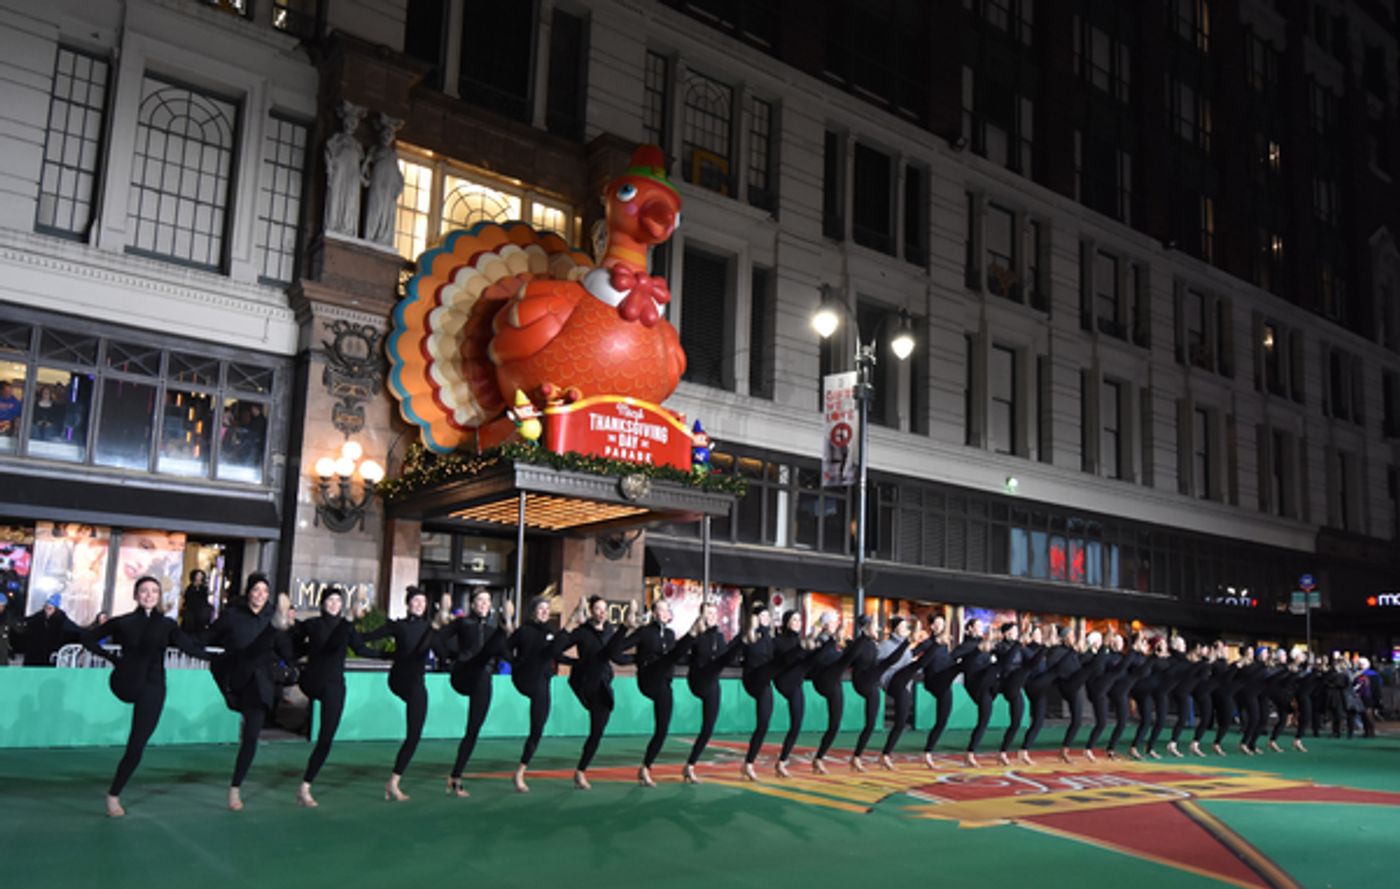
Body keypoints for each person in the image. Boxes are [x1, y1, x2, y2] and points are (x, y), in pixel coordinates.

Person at [81, 576, 211, 817]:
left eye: (154, 591)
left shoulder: (167, 625)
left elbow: (189, 648)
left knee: (136, 744)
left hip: (153, 687)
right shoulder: (123, 622)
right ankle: (115, 794)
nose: (149, 595)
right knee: (135, 743)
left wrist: (221, 657)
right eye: (144, 591)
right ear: (136, 595)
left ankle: (113, 795)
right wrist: (112, 659)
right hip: (128, 681)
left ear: (159, 596)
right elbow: (87, 638)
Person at [205, 573, 293, 811]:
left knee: (251, 736)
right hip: (236, 678)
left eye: (265, 592)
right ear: (249, 592)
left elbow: (288, 652)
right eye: (256, 590)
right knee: (250, 652)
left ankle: (235, 788)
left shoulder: (270, 617)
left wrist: (294, 669)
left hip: (259, 684)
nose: (260, 595)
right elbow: (207, 637)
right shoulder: (232, 616)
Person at [290, 586, 376, 807]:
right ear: (322, 604)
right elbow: (295, 641)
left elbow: (361, 649)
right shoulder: (314, 625)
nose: (334, 604)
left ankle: (305, 787)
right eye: (330, 600)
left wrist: (393, 654)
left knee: (326, 738)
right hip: (313, 680)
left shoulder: (346, 628)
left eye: (338, 601)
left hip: (334, 685)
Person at [359, 586, 442, 801]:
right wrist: (386, 655)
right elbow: (366, 637)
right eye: (415, 601)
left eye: (423, 602)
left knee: (414, 735)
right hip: (399, 679)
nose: (419, 605)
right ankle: (393, 784)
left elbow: (445, 650)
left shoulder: (431, 629)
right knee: (413, 669)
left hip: (416, 681)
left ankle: (393, 782)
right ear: (408, 604)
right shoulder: (399, 626)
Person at [441, 590, 513, 797]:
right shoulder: (463, 623)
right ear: (472, 604)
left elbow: (506, 654)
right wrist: (450, 657)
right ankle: (504, 627)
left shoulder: (491, 628)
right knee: (486, 654)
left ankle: (455, 777)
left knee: (473, 730)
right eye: (479, 600)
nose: (483, 604)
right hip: (463, 674)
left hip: (482, 678)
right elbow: (439, 639)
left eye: (487, 601)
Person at [617, 597, 692, 787]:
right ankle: (693, 635)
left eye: (666, 610)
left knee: (663, 729)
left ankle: (645, 768)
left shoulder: (670, 634)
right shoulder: (644, 632)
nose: (663, 613)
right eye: (659, 609)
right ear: (653, 613)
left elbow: (677, 658)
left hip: (664, 682)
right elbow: (619, 649)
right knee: (664, 660)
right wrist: (636, 659)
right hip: (648, 678)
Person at [507, 591, 576, 793]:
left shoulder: (552, 633)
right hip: (526, 678)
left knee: (538, 728)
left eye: (547, 610)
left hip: (542, 681)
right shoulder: (524, 632)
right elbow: (506, 648)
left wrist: (578, 663)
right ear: (533, 612)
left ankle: (520, 771)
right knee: (544, 657)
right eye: (541, 609)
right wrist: (516, 664)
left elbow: (556, 654)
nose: (545, 613)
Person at [564, 595, 631, 790]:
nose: (602, 613)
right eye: (598, 609)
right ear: (591, 611)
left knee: (597, 732)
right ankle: (581, 771)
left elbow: (616, 655)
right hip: (586, 684)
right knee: (596, 727)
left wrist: (638, 660)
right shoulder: (581, 632)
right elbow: (559, 647)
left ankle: (580, 771)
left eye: (604, 609)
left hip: (603, 685)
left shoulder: (610, 631)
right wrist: (575, 663)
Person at [683, 600, 743, 783]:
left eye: (712, 614)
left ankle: (690, 765)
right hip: (698, 679)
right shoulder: (695, 635)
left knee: (708, 728)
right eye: (707, 614)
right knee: (717, 663)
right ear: (701, 616)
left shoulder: (719, 637)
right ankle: (742, 641)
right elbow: (681, 653)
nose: (710, 617)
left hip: (712, 681)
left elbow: (727, 660)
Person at [848, 616, 910, 771]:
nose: (879, 630)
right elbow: (849, 661)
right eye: (875, 627)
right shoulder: (861, 644)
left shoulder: (873, 645)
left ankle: (856, 757)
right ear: (866, 628)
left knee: (870, 724)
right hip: (864, 681)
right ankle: (863, 757)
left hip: (873, 683)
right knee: (886, 663)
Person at [923, 617, 979, 765]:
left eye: (942, 624)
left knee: (942, 720)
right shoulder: (928, 643)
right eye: (937, 623)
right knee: (962, 665)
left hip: (945, 681)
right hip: (933, 680)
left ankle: (928, 753)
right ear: (931, 626)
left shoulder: (945, 644)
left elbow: (948, 661)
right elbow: (914, 653)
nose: (940, 626)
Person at [772, 609, 816, 777]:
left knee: (797, 724)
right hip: (784, 680)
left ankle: (782, 762)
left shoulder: (801, 641)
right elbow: (784, 661)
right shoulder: (779, 641)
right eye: (794, 620)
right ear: (787, 623)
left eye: (799, 620)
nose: (798, 622)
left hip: (797, 682)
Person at [738, 601, 777, 781]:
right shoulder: (750, 635)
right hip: (752, 677)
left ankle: (748, 763)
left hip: (765, 680)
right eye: (762, 616)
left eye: (767, 616)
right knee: (768, 669)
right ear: (755, 619)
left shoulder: (770, 638)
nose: (766, 619)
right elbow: (742, 651)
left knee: (764, 723)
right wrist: (751, 631)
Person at [16, 592, 80, 666]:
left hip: (50, 658)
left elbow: (76, 630)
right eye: (46, 607)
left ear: (56, 609)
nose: (47, 611)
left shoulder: (62, 621)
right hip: (34, 657)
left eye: (50, 608)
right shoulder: (38, 618)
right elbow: (24, 623)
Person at [180, 570, 213, 635]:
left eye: (201, 575)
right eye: (198, 575)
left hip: (201, 613)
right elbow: (187, 597)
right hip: (191, 612)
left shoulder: (204, 588)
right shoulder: (190, 588)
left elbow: (205, 598)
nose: (200, 577)